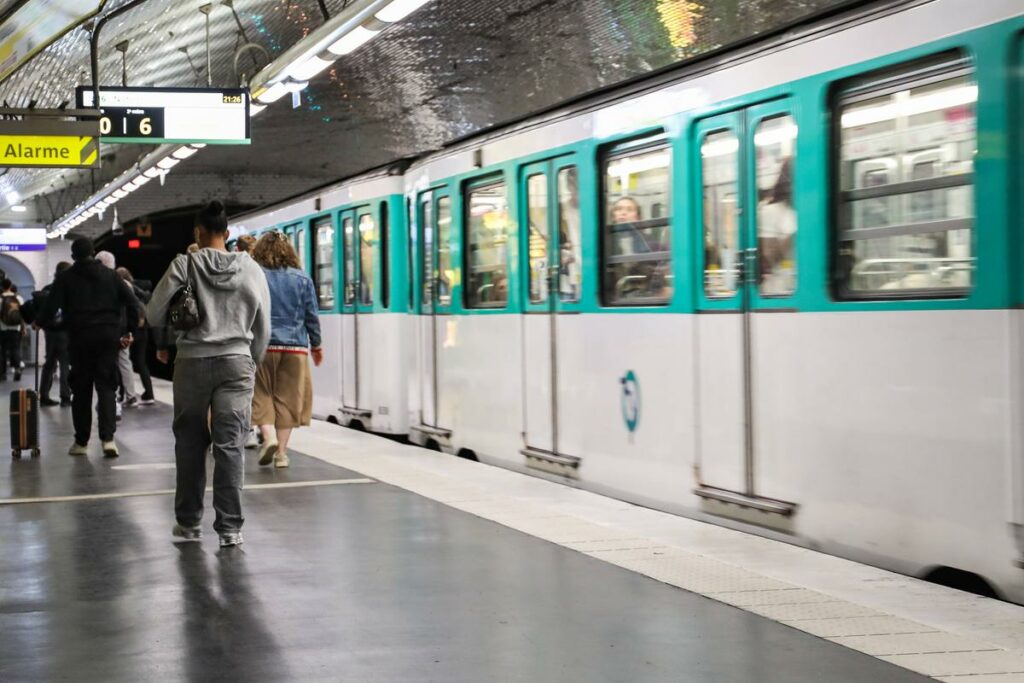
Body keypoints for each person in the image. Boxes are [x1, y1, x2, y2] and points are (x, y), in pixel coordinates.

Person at [146, 200, 270, 548]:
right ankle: (230, 529)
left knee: (190, 443)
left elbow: (154, 314)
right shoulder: (251, 268)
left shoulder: (184, 264)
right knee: (230, 446)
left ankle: (188, 523)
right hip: (237, 363)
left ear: (197, 233)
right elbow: (263, 324)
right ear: (227, 234)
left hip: (193, 363)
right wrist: (252, 361)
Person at [40, 238, 139, 457]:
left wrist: (42, 322)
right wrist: (128, 331)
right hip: (107, 338)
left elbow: (50, 308)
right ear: (93, 253)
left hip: (79, 339)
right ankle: (108, 440)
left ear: (73, 256)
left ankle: (82, 442)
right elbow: (133, 303)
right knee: (106, 388)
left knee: (82, 391)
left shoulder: (66, 278)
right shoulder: (112, 276)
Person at [250, 232, 322, 469]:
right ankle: (281, 454)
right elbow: (311, 315)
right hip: (295, 348)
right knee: (288, 400)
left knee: (260, 394)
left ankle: (268, 437)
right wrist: (317, 344)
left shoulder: (255, 275)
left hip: (263, 344)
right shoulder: (302, 278)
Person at [97, 251, 142, 413]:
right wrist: (131, 331)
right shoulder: (124, 284)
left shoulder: (99, 283)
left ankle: (113, 398)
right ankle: (131, 396)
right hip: (122, 330)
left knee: (108, 364)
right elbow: (134, 307)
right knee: (124, 363)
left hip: (104, 331)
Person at [24, 262, 72, 407]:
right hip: (64, 331)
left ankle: (44, 395)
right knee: (65, 364)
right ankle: (65, 397)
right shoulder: (69, 288)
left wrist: (38, 322)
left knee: (49, 364)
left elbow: (42, 310)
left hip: (49, 332)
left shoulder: (47, 289)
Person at [117, 267, 155, 405]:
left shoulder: (126, 288)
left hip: (132, 328)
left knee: (123, 361)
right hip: (143, 330)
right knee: (140, 362)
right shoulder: (140, 288)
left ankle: (123, 394)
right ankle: (149, 393)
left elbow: (135, 306)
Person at [0, 279, 25, 380]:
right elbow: (23, 314)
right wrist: (23, 327)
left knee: (2, 350)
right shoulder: (18, 298)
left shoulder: (0, 299)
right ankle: (17, 369)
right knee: (15, 349)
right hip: (16, 328)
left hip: (2, 328)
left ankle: (2, 374)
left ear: (2, 286)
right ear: (10, 286)